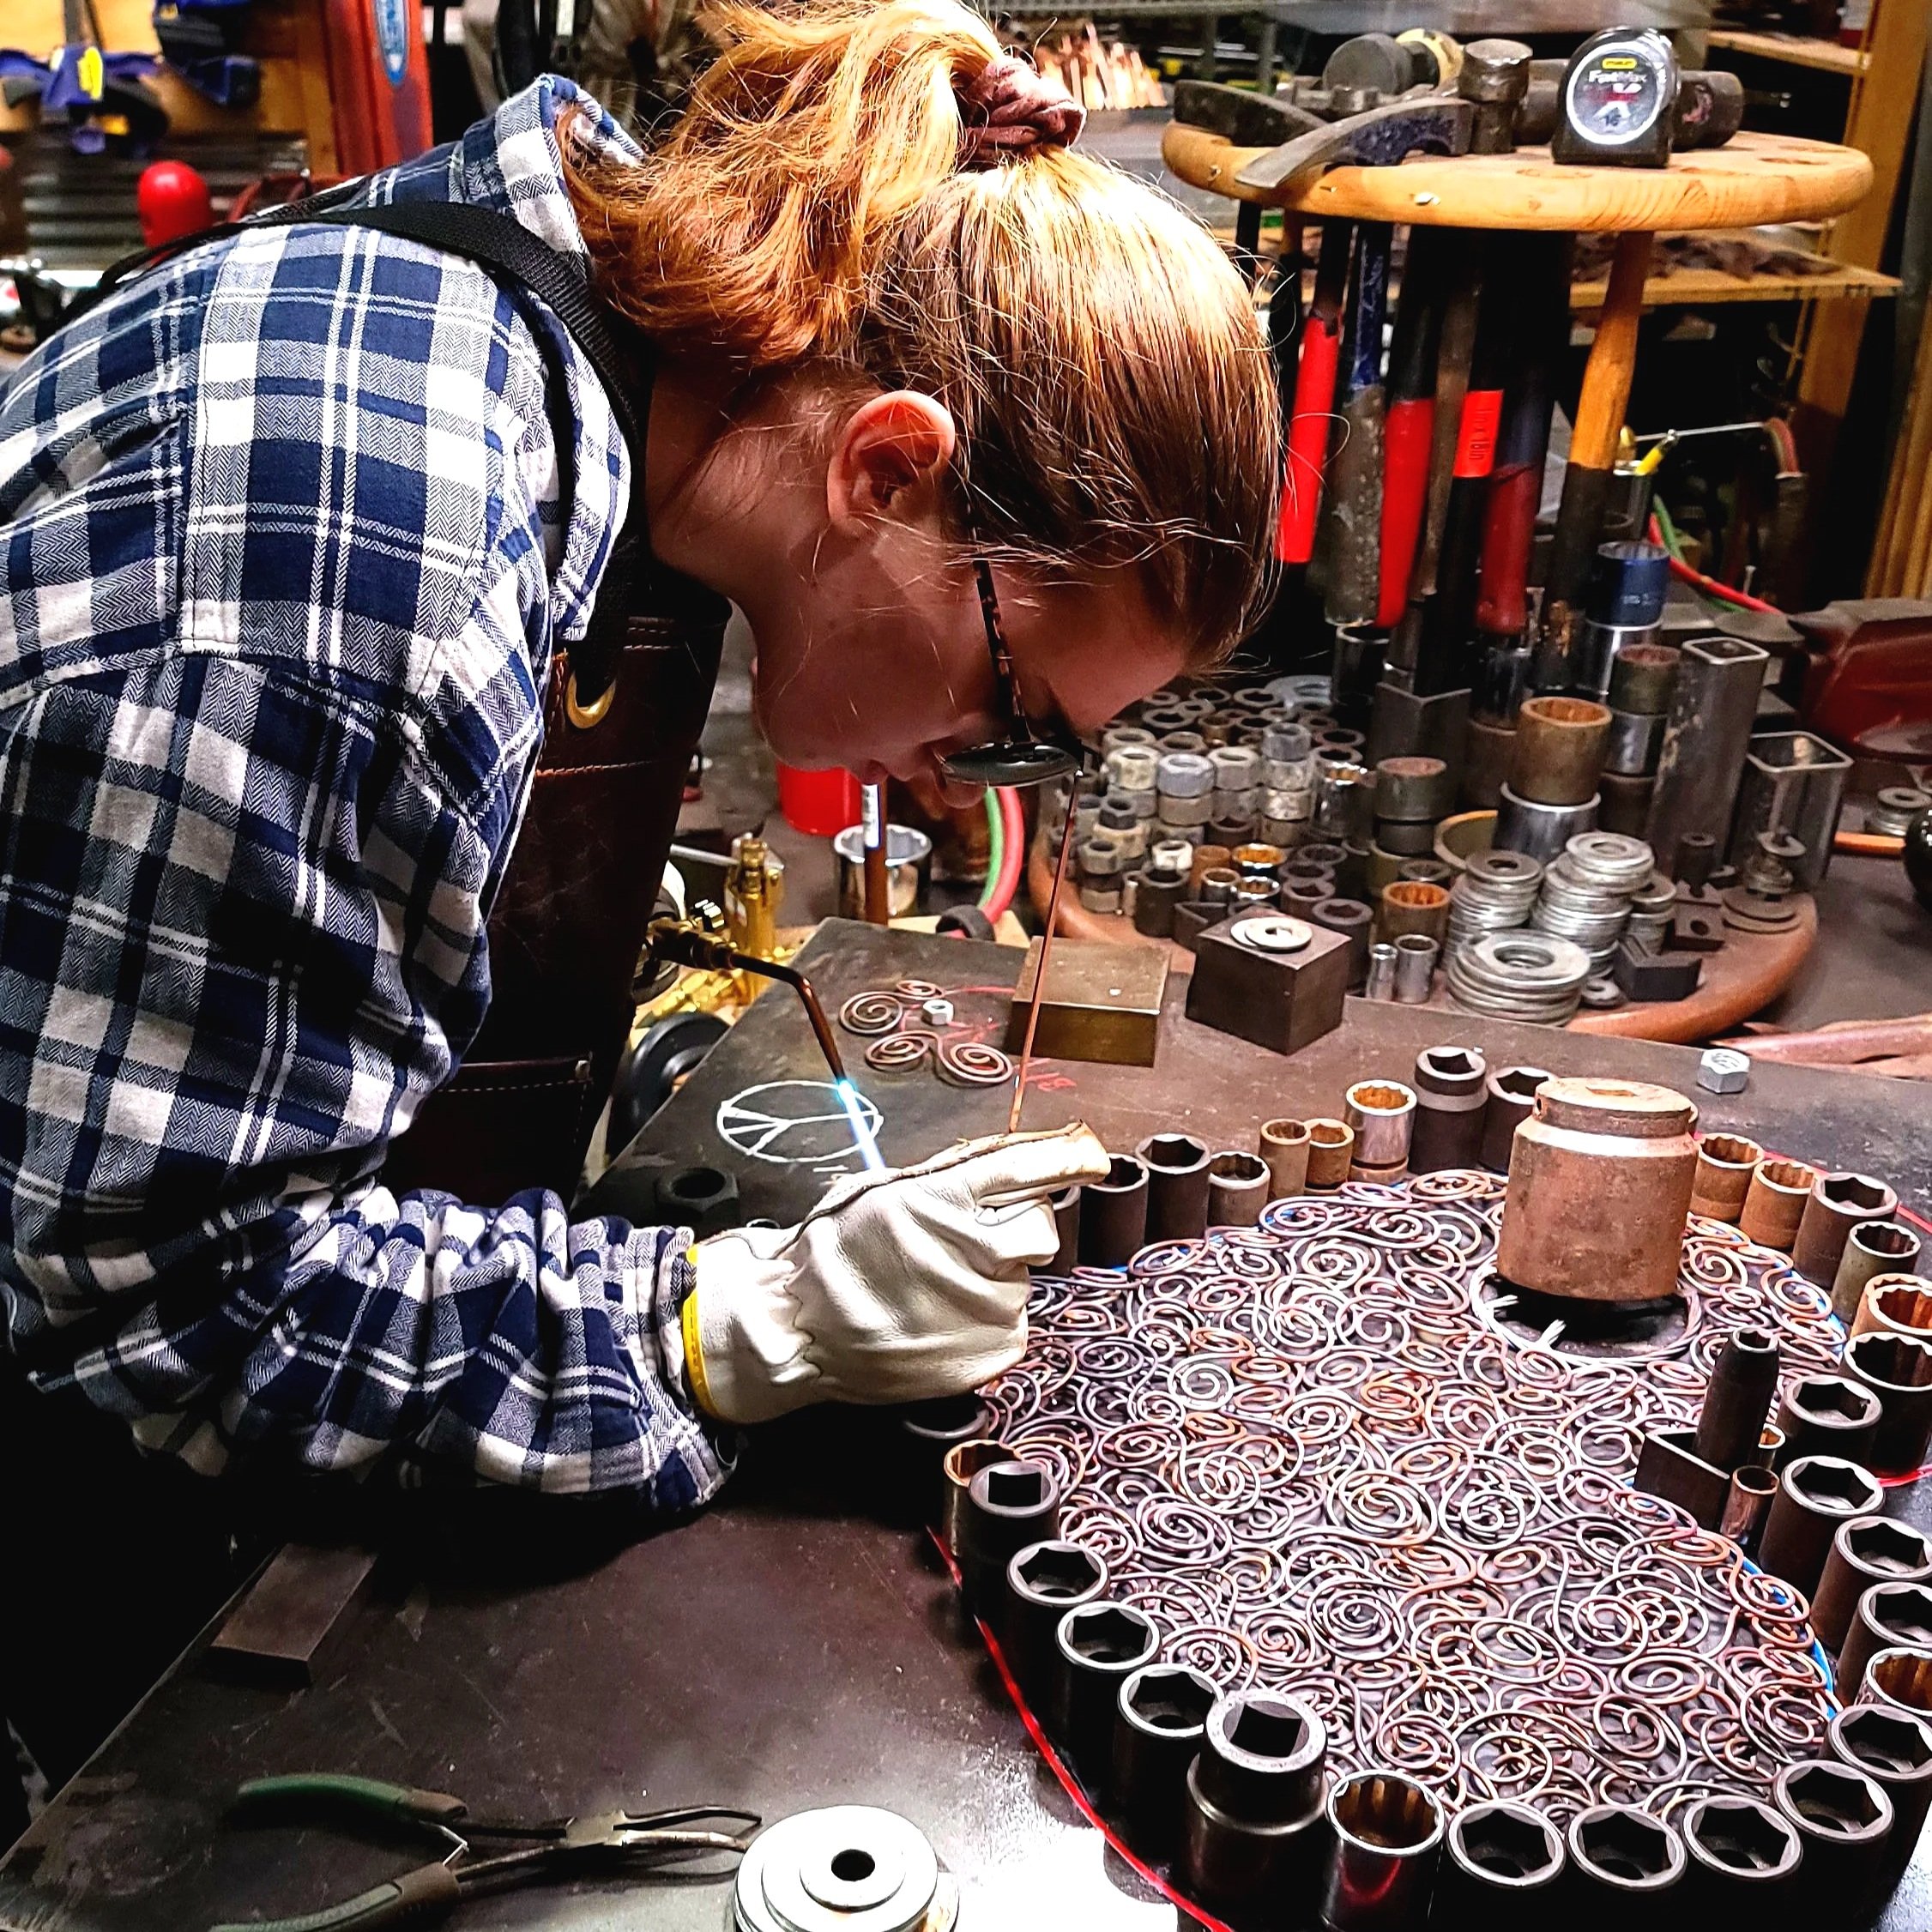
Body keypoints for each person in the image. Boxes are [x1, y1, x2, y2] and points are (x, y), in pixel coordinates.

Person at [0, 0, 1277, 1818]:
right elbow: (171, 1305)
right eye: (1009, 712)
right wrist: (726, 1326)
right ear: (885, 469)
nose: (965, 782)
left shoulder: (600, 343)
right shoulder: (370, 552)